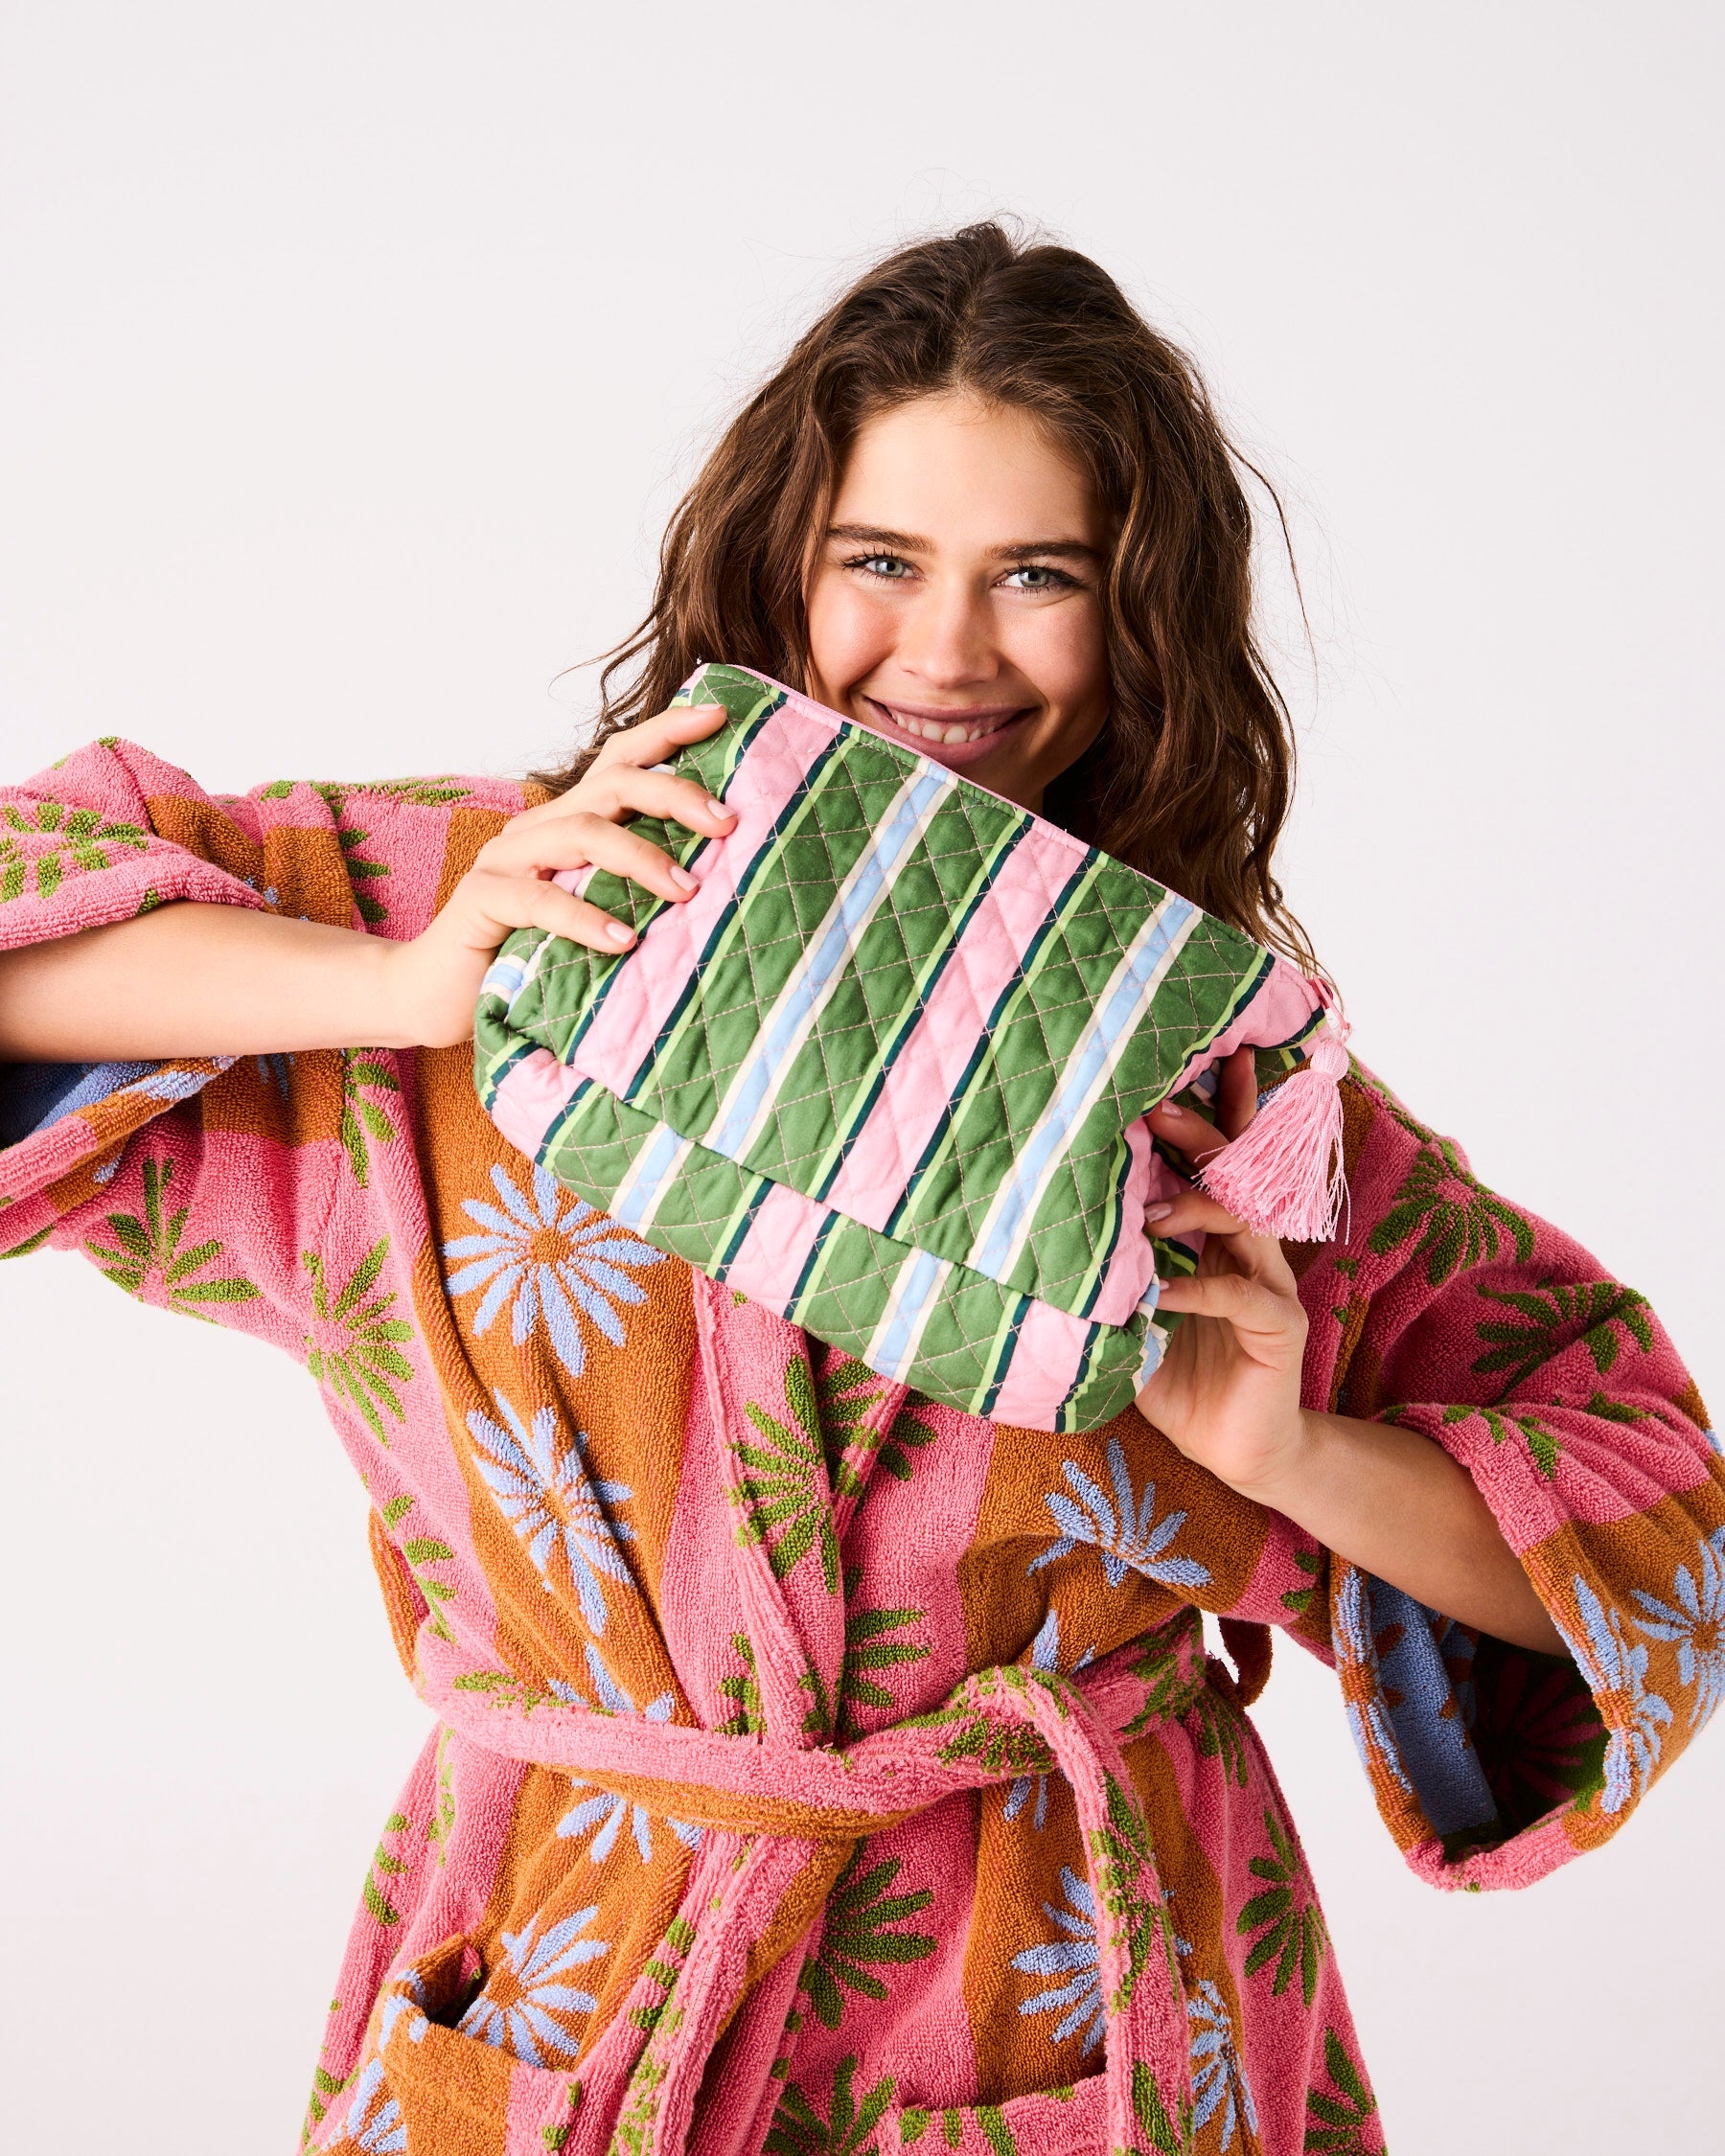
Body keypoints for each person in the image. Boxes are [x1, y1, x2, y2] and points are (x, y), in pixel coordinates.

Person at [0, 223, 1716, 2156]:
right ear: (774, 565)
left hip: (1073, 1987)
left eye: (1041, 575)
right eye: (880, 561)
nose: (950, 652)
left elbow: (1657, 1541)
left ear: (1142, 619)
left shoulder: (1225, 1103)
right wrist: (399, 989)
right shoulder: (507, 907)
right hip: (569, 1972)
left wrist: (1290, 1454)